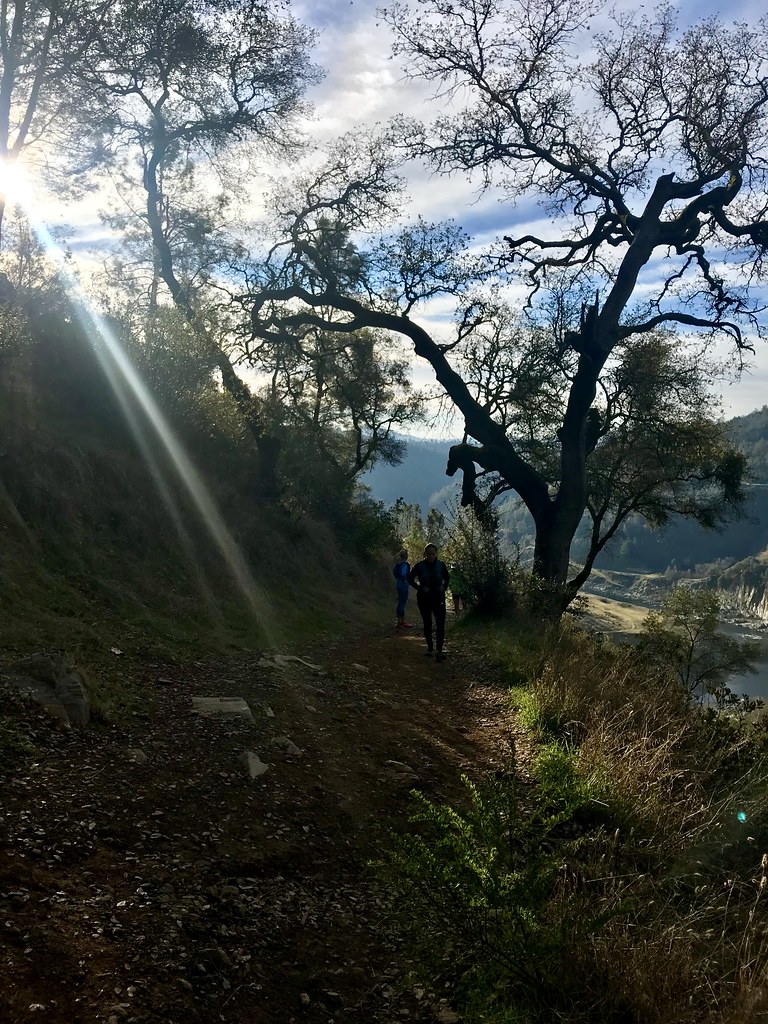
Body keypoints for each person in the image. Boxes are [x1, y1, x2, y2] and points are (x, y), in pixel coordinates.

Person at [408, 543, 450, 661]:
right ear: (424, 554)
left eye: (433, 554)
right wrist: (419, 588)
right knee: (427, 622)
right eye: (429, 554)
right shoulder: (420, 566)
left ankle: (439, 650)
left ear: (436, 554)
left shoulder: (441, 565)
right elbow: (410, 578)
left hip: (438, 598)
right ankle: (430, 648)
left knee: (440, 623)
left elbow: (447, 578)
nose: (431, 556)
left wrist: (444, 587)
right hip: (424, 598)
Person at [393, 549, 413, 629]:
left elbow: (395, 573)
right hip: (403, 586)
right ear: (406, 556)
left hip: (398, 585)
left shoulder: (398, 564)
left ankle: (400, 621)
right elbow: (403, 574)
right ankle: (401, 622)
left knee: (400, 602)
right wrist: (406, 581)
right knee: (402, 603)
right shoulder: (405, 565)